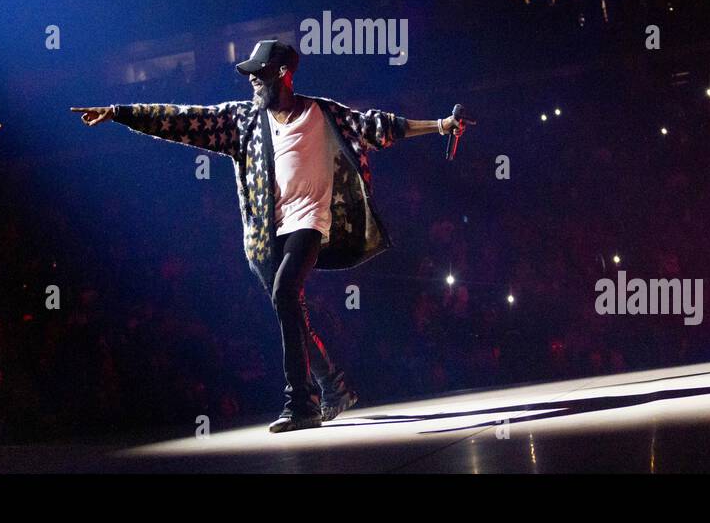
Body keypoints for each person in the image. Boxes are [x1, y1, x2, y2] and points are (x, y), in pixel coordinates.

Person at [71, 39, 473, 432]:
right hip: (265, 236)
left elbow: (378, 126)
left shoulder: (324, 114)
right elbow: (182, 119)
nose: (252, 83)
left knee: (285, 295)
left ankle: (301, 403)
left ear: (283, 74)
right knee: (290, 311)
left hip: (311, 221)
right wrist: (121, 112)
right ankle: (335, 387)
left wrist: (441, 125)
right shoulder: (243, 121)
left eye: (259, 76)